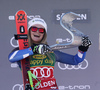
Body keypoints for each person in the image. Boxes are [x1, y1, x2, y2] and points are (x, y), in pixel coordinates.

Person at [8, 17, 91, 90]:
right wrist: (33, 49)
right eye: (34, 29)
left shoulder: (51, 52)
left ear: (44, 34)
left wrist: (82, 50)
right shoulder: (23, 51)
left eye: (41, 30)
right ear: (29, 31)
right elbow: (11, 58)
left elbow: (76, 60)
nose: (37, 32)